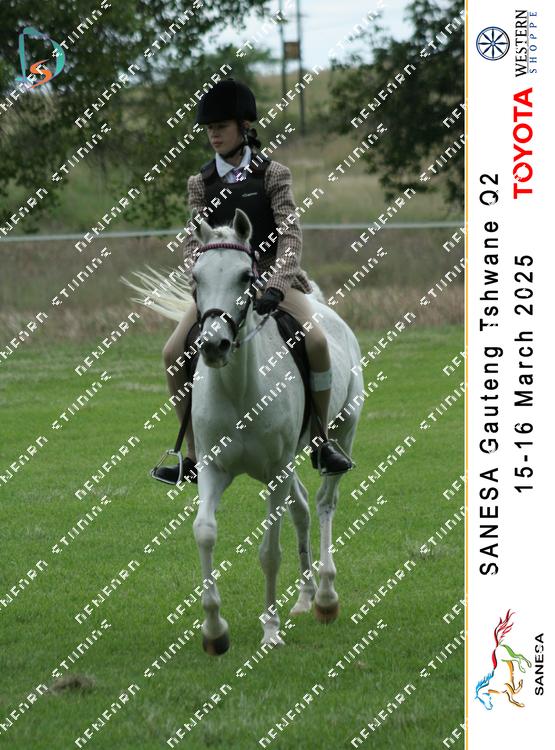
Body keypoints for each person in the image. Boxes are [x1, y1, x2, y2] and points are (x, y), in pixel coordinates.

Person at [153, 78, 352, 484]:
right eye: (209, 129)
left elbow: (290, 235)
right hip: (221, 288)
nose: (213, 135)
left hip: (274, 281)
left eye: (221, 127)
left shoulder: (273, 174)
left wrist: (276, 284)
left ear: (244, 127)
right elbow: (193, 240)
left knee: (316, 341)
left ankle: (321, 440)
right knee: (172, 352)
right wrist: (200, 277)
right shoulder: (200, 183)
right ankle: (192, 453)